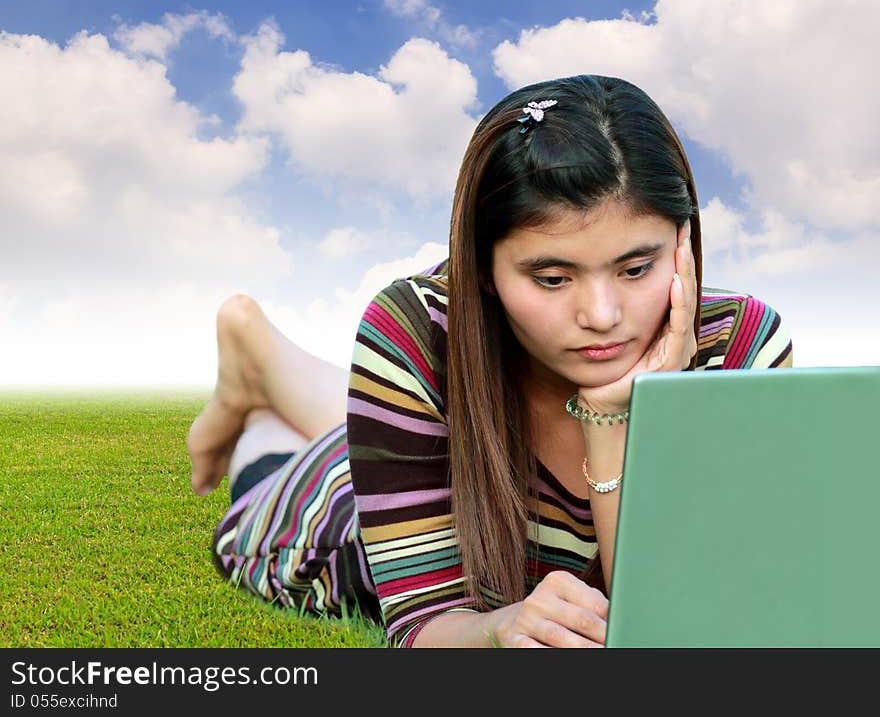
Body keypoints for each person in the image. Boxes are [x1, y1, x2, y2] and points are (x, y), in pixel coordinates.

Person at [186, 74, 793, 648]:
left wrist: (615, 416)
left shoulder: (742, 348)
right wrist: (495, 629)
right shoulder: (416, 329)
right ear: (482, 267)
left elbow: (680, 627)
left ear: (684, 241)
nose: (604, 315)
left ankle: (259, 356)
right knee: (289, 455)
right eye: (552, 278)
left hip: (429, 431)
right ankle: (255, 378)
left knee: (392, 423)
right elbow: (420, 624)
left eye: (636, 269)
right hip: (336, 506)